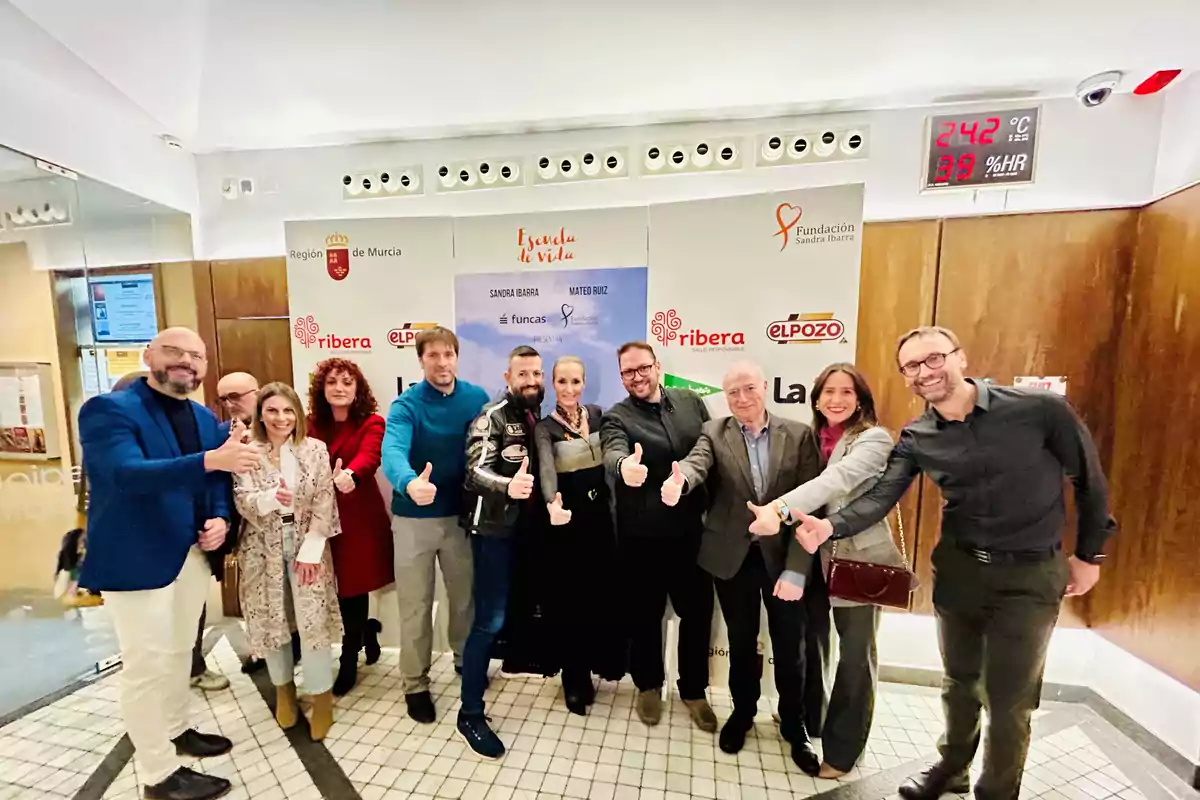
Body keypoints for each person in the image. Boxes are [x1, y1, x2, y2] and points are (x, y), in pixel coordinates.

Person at [791, 327, 1117, 800]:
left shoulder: (1037, 410)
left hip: (1028, 574)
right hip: (960, 570)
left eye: (933, 359)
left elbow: (1090, 481)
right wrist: (830, 527)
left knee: (1009, 699)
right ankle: (952, 769)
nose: (925, 372)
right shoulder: (920, 435)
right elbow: (883, 496)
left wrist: (1090, 555)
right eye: (912, 367)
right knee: (959, 682)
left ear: (959, 357)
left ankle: (996, 792)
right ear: (905, 377)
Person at [79, 327, 257, 800]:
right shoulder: (109, 410)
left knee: (181, 651)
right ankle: (158, 775)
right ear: (148, 355)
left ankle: (178, 730)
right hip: (136, 560)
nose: (187, 362)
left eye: (196, 356)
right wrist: (211, 460)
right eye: (174, 352)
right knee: (147, 665)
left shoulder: (200, 416)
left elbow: (216, 479)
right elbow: (125, 474)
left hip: (190, 555)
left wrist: (219, 518)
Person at [747, 362, 907, 778]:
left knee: (855, 658)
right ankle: (813, 722)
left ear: (861, 400)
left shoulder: (872, 439)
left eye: (846, 392)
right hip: (813, 560)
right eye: (828, 392)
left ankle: (842, 750)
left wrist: (776, 510)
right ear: (816, 399)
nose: (836, 400)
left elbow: (832, 483)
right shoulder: (812, 438)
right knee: (815, 647)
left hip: (857, 559)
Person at [662, 362, 822, 771]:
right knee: (741, 640)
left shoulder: (799, 434)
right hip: (734, 558)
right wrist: (680, 481)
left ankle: (793, 724)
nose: (742, 398)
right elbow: (697, 464)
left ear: (765, 388)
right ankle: (743, 712)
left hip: (784, 558)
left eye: (749, 388)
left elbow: (812, 503)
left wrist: (798, 568)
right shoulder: (714, 432)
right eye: (732, 392)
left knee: (791, 647)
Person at [599, 341, 717, 733]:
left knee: (697, 615)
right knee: (644, 616)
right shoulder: (617, 416)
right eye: (627, 372)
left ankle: (694, 691)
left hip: (690, 534)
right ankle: (648, 685)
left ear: (657, 366)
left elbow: (708, 449)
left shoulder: (690, 402)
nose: (636, 377)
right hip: (640, 537)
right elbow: (613, 451)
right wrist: (622, 466)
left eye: (642, 368)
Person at [381, 326, 487, 723]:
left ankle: (464, 661)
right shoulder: (406, 405)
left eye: (448, 355)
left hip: (461, 518)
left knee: (464, 599)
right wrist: (408, 481)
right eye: (433, 356)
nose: (442, 363)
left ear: (457, 357)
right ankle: (415, 683)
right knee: (415, 605)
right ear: (420, 359)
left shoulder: (475, 397)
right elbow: (392, 450)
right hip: (414, 520)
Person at [234, 382, 344, 742]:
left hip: (307, 545)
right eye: (272, 410)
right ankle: (283, 691)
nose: (281, 418)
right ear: (260, 414)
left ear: (297, 414)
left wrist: (312, 551)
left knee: (313, 624)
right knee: (272, 620)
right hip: (261, 547)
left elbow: (325, 502)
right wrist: (270, 497)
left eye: (287, 410)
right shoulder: (246, 450)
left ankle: (321, 697)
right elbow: (242, 500)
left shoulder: (315, 450)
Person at [457, 345, 543, 759]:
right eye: (523, 375)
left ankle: (495, 674)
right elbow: (474, 469)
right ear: (508, 378)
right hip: (491, 529)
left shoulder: (532, 415)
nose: (531, 382)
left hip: (523, 529)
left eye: (536, 374)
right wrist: (507, 487)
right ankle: (469, 713)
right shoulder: (491, 415)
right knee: (488, 620)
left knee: (508, 615)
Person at [533, 356, 623, 716]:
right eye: (562, 382)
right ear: (553, 385)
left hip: (601, 521)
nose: (569, 389)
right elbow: (545, 468)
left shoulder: (599, 416)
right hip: (566, 522)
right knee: (568, 600)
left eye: (575, 381)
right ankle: (573, 677)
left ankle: (594, 666)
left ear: (584, 383)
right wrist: (552, 502)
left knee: (596, 597)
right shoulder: (545, 428)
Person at [306, 358, 393, 696]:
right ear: (322, 389)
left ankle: (348, 659)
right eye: (332, 382)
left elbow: (371, 456)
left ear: (358, 389)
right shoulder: (311, 424)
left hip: (358, 516)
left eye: (347, 382)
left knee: (352, 588)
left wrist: (351, 475)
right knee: (328, 589)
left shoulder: (372, 422)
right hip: (319, 518)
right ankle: (366, 632)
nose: (339, 388)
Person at [217, 371, 303, 677]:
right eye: (223, 398)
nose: (230, 404)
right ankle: (269, 657)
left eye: (236, 396)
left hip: (297, 535)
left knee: (297, 600)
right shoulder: (224, 436)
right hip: (250, 533)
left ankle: (294, 654)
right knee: (262, 599)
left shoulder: (300, 440)